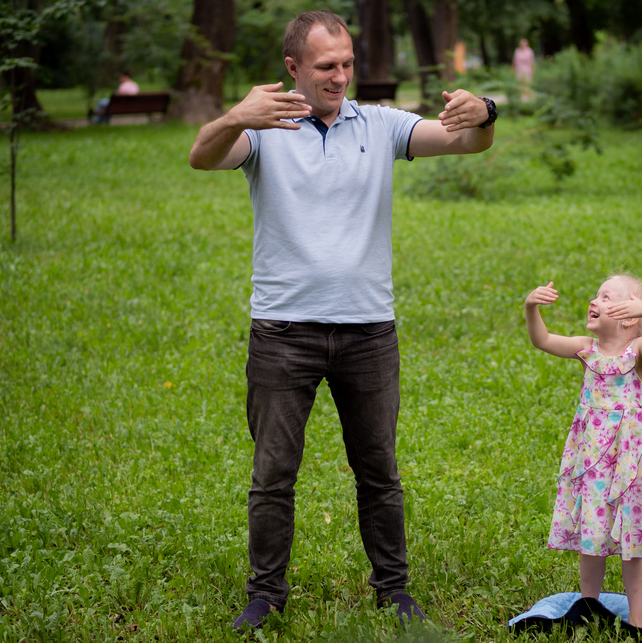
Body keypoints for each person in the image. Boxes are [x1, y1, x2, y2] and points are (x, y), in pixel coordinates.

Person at [187, 10, 497, 632]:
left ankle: (394, 592)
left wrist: (483, 111)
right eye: (327, 66)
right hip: (282, 331)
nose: (341, 76)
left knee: (379, 470)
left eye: (348, 63)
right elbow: (202, 157)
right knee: (273, 475)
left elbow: (466, 142)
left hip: (367, 331)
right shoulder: (266, 126)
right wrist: (231, 117)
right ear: (293, 67)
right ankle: (265, 595)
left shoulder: (380, 125)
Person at [524, 275, 642, 631]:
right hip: (592, 463)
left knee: (633, 540)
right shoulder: (586, 348)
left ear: (628, 317)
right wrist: (531, 306)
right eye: (596, 294)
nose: (594, 300)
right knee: (592, 536)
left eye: (606, 297)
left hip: (629, 465)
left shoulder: (637, 352)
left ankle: (636, 619)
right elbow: (541, 340)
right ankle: (588, 606)